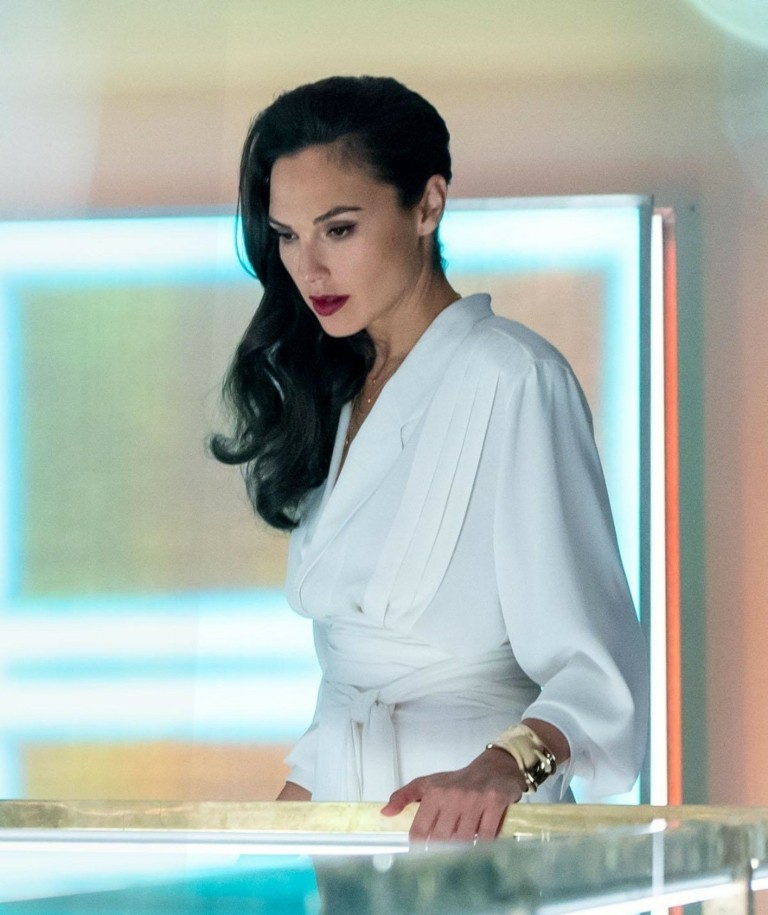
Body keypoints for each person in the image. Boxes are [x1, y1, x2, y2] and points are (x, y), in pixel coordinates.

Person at [211, 75, 649, 844]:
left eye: (338, 229)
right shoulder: (338, 394)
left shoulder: (513, 378)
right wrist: (251, 861)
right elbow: (346, 704)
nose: (308, 268)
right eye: (286, 235)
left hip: (480, 845)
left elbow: (598, 669)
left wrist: (504, 765)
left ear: (427, 205)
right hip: (350, 850)